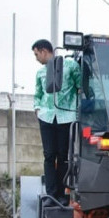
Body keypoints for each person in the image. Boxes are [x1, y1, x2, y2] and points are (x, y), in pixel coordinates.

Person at [32, 39, 81, 206]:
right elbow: (37, 94)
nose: (36, 58)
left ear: (44, 51)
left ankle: (61, 194)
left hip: (66, 116)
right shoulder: (40, 73)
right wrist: (37, 108)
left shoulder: (71, 66)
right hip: (46, 117)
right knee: (49, 156)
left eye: (36, 54)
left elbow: (80, 86)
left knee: (63, 156)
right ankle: (51, 195)